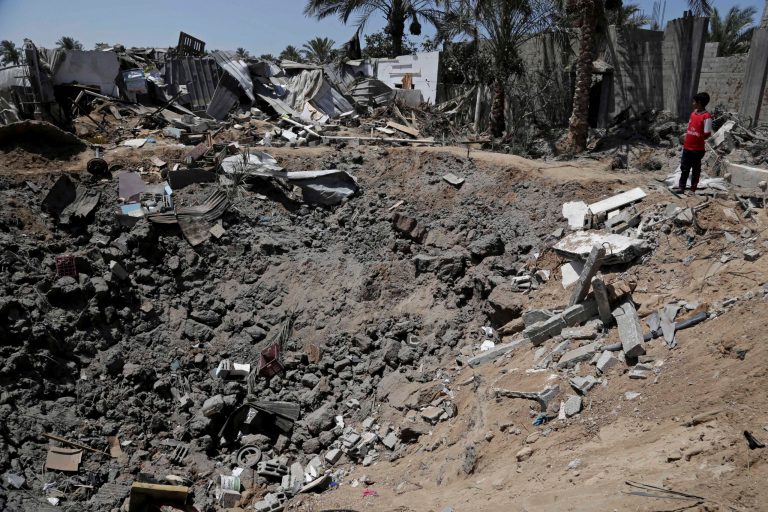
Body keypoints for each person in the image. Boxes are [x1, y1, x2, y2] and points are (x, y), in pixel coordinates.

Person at [674, 92, 712, 195]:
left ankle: (692, 189)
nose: (692, 103)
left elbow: (707, 133)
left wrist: (697, 138)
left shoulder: (706, 116)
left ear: (699, 102)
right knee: (684, 168)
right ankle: (681, 187)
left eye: (694, 101)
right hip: (687, 147)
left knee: (696, 169)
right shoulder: (693, 114)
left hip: (697, 149)